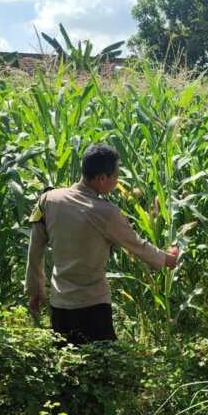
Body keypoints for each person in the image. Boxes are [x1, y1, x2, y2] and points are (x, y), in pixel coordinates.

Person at [26, 144, 179, 345]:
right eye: (115, 176)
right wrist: (168, 259)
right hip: (93, 306)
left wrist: (34, 290)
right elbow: (137, 245)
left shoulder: (48, 199)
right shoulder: (106, 212)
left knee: (65, 359)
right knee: (103, 361)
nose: (117, 182)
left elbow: (35, 249)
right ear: (101, 178)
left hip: (60, 305)